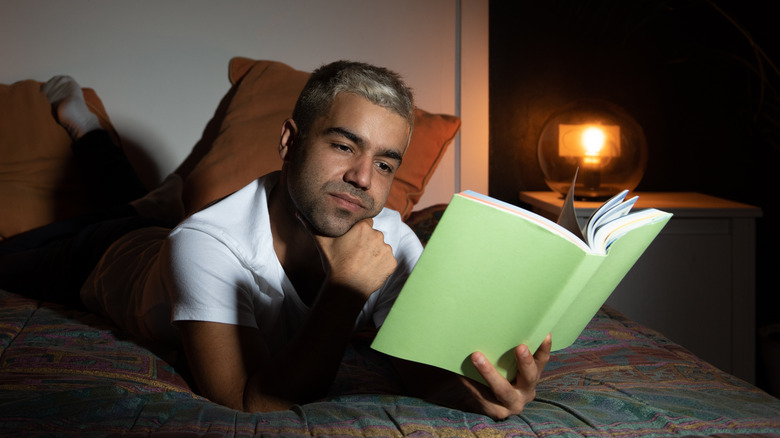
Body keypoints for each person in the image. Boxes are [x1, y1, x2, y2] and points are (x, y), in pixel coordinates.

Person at [0, 62, 550, 420]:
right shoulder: (205, 244)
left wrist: (476, 393)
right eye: (343, 145)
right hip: (106, 259)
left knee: (135, 206)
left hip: (163, 237)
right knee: (53, 241)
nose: (363, 178)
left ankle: (153, 202)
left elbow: (410, 360)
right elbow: (250, 404)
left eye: (384, 162)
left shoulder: (394, 240)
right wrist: (345, 293)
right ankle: (85, 128)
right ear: (290, 141)